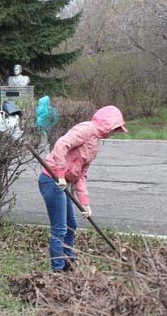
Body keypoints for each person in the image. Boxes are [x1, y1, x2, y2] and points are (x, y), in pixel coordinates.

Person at [39, 105, 127, 272]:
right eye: (115, 128)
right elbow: (61, 145)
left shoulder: (96, 144)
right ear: (108, 123)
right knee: (60, 228)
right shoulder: (86, 129)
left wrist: (85, 203)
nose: (114, 133)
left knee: (71, 225)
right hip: (51, 179)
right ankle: (57, 270)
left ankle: (68, 263)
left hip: (62, 183)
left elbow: (82, 174)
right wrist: (60, 174)